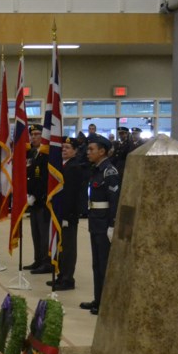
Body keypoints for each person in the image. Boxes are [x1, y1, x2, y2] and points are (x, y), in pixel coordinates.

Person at [79, 135, 120, 316]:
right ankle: (98, 298)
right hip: (95, 220)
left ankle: (105, 302)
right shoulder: (96, 169)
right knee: (97, 264)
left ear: (102, 151)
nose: (88, 152)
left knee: (104, 264)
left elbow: (114, 200)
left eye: (91, 149)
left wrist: (112, 225)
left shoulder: (109, 171)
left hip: (104, 223)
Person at [46, 137, 87, 291]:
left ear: (75, 151)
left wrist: (67, 215)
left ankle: (68, 279)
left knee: (68, 247)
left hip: (68, 215)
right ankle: (61, 275)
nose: (64, 149)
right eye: (62, 147)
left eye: (68, 147)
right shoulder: (62, 166)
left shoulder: (74, 167)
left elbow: (72, 194)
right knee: (60, 245)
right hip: (59, 212)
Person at [26, 124, 51, 274]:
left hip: (42, 200)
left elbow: (45, 179)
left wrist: (36, 195)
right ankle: (38, 259)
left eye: (37, 134)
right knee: (35, 232)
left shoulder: (46, 154)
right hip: (33, 200)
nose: (34, 137)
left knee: (44, 232)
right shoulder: (32, 153)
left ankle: (46, 262)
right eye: (32, 134)